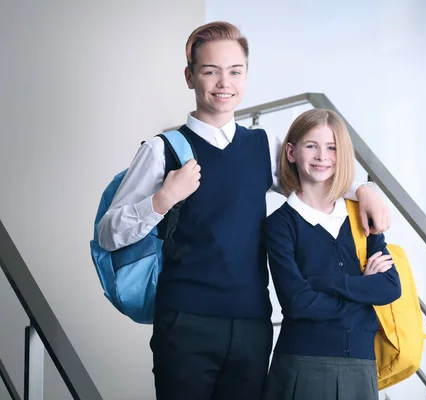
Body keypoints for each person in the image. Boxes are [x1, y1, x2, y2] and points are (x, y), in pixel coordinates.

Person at [97, 21, 391, 400]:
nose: (224, 83)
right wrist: (162, 200)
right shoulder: (161, 150)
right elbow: (108, 233)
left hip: (253, 324)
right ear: (190, 77)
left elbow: (316, 170)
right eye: (210, 71)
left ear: (246, 76)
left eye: (235, 71)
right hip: (185, 321)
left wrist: (365, 188)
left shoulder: (263, 145)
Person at [263, 108, 401, 400]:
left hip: (362, 366)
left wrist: (324, 283)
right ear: (291, 152)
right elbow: (298, 303)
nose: (322, 156)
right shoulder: (279, 225)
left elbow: (390, 287)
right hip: (302, 364)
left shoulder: (361, 216)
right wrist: (363, 289)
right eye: (311, 145)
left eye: (332, 148)